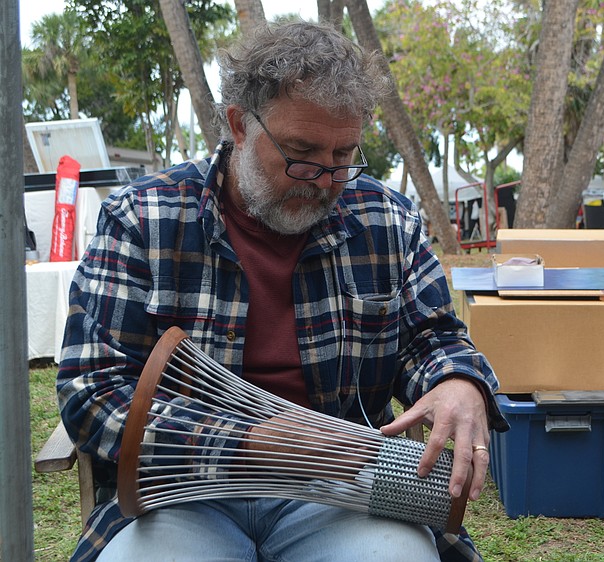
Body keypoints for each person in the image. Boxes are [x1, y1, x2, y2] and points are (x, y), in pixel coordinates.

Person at [57, 20, 507, 562]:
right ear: (239, 126)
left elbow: (433, 338)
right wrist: (245, 445)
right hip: (178, 495)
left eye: (344, 156)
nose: (324, 179)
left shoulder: (386, 218)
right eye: (301, 152)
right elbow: (93, 391)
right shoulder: (143, 218)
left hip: (345, 489)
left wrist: (458, 381)